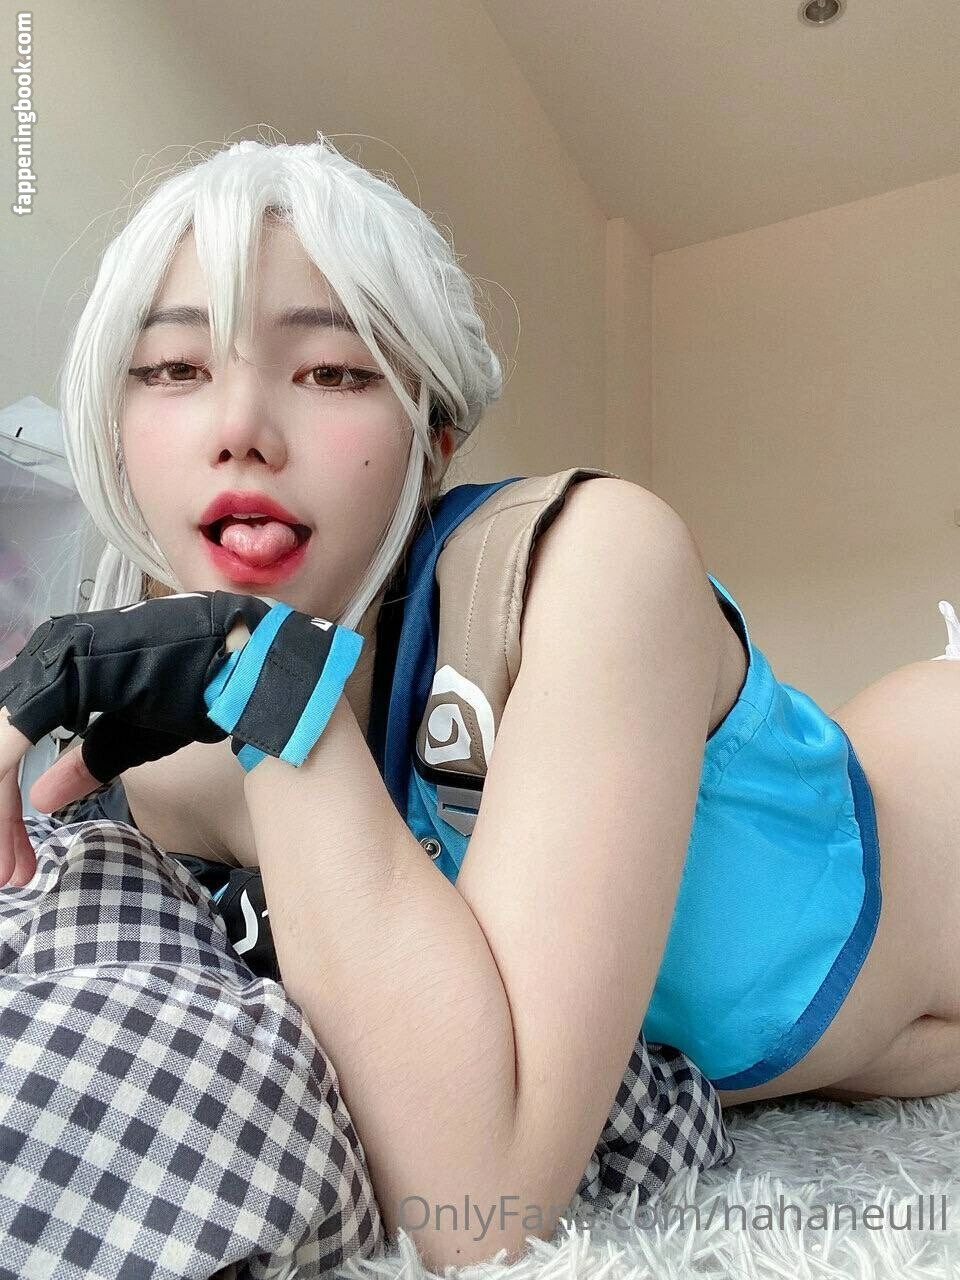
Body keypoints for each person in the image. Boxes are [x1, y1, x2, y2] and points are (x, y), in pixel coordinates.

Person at [1, 135, 959, 1274]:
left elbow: (480, 1205)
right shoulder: (176, 766)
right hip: (860, 1043)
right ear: (116, 430)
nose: (240, 426)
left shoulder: (587, 560)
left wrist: (262, 671)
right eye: (173, 369)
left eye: (334, 371)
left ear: (432, 442)